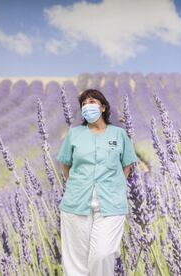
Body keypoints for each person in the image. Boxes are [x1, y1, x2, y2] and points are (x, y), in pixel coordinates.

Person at [56, 88, 138, 275]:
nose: (87, 107)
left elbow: (127, 164)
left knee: (103, 254)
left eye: (91, 102)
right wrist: (74, 186)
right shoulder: (74, 134)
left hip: (110, 203)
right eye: (84, 104)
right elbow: (65, 164)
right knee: (77, 262)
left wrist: (116, 185)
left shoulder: (119, 134)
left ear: (102, 107)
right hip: (76, 203)